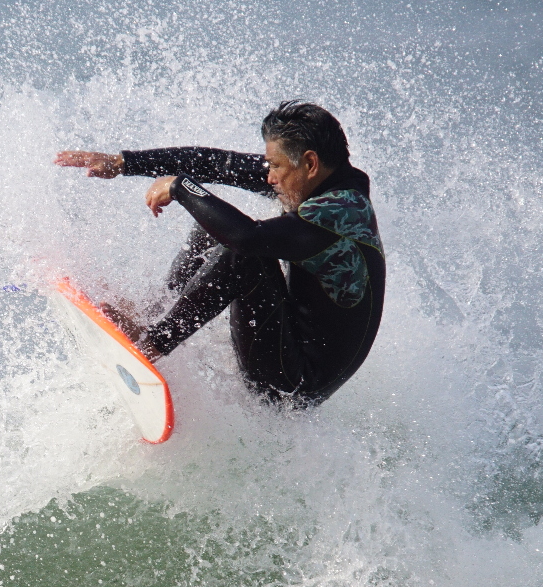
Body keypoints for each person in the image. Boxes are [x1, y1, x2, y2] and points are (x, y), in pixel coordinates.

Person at [54, 100, 384, 406]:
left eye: (274, 166)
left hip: (292, 386)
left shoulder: (337, 215)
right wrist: (123, 163)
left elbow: (245, 238)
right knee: (216, 226)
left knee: (244, 251)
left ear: (309, 163)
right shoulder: (322, 179)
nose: (268, 176)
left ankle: (152, 343)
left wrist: (180, 187)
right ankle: (154, 312)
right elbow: (218, 164)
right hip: (288, 345)